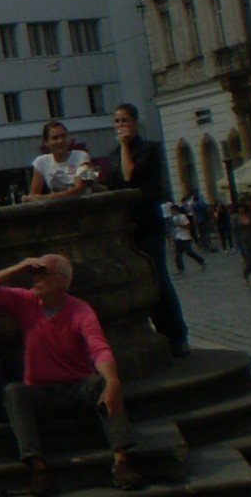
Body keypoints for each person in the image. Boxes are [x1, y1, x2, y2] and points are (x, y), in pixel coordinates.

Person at [0, 254, 142, 497]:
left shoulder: (80, 310)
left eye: (42, 274)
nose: (35, 280)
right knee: (13, 392)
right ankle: (38, 468)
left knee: (103, 383)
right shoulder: (26, 302)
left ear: (61, 280)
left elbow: (98, 347)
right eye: (34, 274)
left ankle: (122, 461)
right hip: (40, 391)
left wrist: (112, 381)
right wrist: (17, 267)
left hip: (77, 388)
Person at [95, 104, 189, 356]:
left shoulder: (148, 149)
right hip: (125, 228)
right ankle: (152, 332)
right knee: (136, 282)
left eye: (124, 120)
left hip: (148, 224)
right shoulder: (112, 156)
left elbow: (128, 176)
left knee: (158, 279)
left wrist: (126, 146)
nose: (120, 126)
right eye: (116, 121)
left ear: (135, 122)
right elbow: (110, 186)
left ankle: (176, 335)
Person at [28, 121, 94, 199]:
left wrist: (43, 198)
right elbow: (33, 195)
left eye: (63, 136)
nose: (60, 141)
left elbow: (79, 189)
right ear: (46, 142)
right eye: (55, 138)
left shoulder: (83, 156)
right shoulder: (40, 162)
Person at [170, 204, 207, 273]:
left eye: (172, 210)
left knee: (189, 252)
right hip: (178, 237)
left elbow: (188, 226)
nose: (171, 212)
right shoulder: (173, 218)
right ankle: (181, 269)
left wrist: (179, 225)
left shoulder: (182, 217)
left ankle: (201, 260)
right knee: (178, 254)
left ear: (176, 210)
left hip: (185, 237)